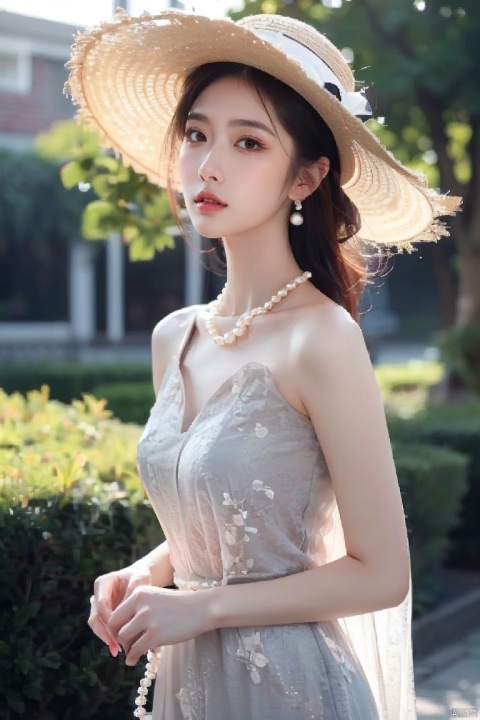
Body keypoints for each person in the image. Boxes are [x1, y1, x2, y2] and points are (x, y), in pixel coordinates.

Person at [68, 10, 460, 720]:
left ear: (306, 177)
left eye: (249, 141)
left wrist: (205, 609)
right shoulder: (174, 337)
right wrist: (149, 570)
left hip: (292, 688)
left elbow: (382, 574)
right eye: (196, 134)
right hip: (187, 687)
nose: (208, 165)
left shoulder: (323, 339)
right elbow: (228, 520)